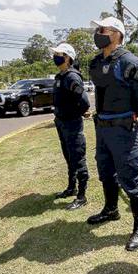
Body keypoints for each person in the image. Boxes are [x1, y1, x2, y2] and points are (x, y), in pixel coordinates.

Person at [87, 16, 138, 251]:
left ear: (117, 34)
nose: (98, 33)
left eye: (103, 29)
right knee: (105, 170)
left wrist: (132, 114)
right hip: (102, 128)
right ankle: (111, 210)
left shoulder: (129, 63)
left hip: (123, 129)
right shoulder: (95, 63)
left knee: (130, 176)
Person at [51, 43, 90, 210]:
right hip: (61, 122)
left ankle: (81, 196)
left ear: (67, 57)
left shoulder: (72, 77)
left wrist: (79, 112)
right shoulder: (60, 76)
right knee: (68, 157)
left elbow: (84, 101)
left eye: (59, 54)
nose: (55, 57)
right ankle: (71, 188)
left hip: (72, 123)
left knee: (77, 157)